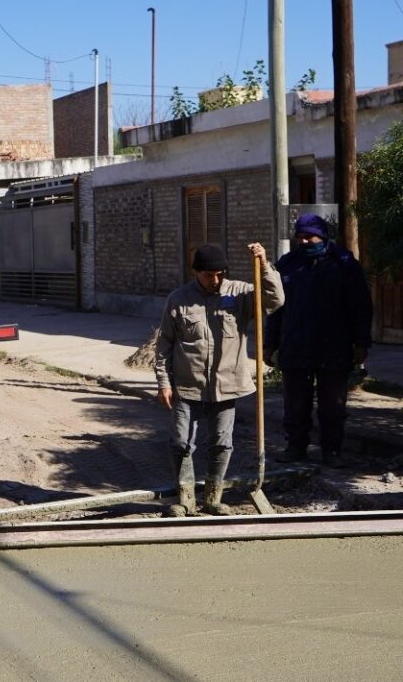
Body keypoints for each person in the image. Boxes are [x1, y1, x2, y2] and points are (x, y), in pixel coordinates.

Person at [155, 243, 284, 516]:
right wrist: (164, 382)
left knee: (222, 442)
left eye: (219, 274)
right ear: (196, 273)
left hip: (227, 385)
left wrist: (264, 265)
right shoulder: (179, 299)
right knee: (180, 442)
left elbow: (275, 301)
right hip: (187, 384)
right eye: (208, 275)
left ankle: (213, 498)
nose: (215, 280)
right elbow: (164, 344)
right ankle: (186, 499)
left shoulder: (239, 293)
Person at [264, 213, 373, 468]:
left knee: (332, 406)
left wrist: (361, 343)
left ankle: (332, 450)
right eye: (300, 237)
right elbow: (275, 307)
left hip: (334, 347)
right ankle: (296, 447)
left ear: (322, 237)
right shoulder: (288, 264)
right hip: (296, 345)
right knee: (295, 404)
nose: (304, 241)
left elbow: (360, 306)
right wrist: (271, 343)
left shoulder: (344, 263)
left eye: (309, 237)